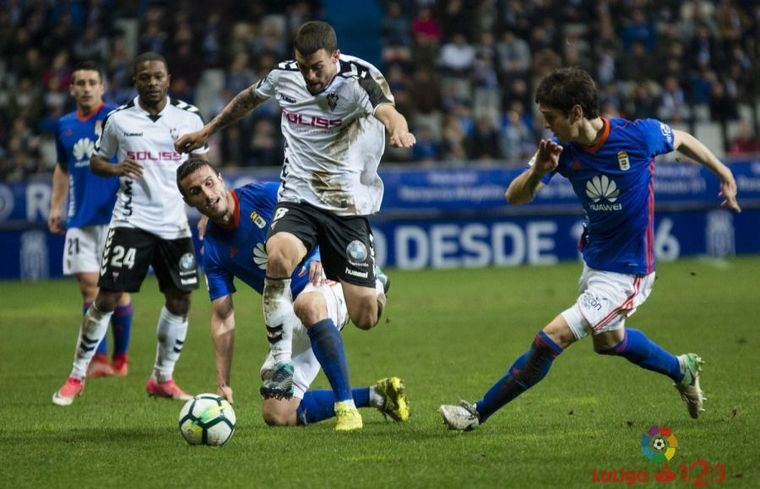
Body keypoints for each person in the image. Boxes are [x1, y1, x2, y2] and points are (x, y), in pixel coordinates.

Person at [440, 67, 742, 431]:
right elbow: (513, 197)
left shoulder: (638, 135)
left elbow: (681, 138)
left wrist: (722, 170)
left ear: (577, 113)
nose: (547, 126)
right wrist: (538, 171)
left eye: (551, 118)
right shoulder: (561, 153)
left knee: (551, 338)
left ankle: (475, 413)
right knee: (610, 341)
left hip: (629, 272)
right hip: (596, 263)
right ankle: (682, 368)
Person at [175, 21, 414, 413]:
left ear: (335, 57)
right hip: (299, 196)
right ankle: (281, 359)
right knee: (279, 254)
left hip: (345, 205)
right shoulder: (286, 76)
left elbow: (388, 111)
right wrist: (209, 129)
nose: (310, 76)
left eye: (317, 67)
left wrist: (398, 130)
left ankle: (377, 283)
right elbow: (249, 98)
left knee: (367, 316)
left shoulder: (361, 79)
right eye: (303, 66)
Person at [176, 158, 409, 431]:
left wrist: (322, 252)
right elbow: (223, 317)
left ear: (220, 178)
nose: (206, 194)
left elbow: (316, 209)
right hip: (288, 313)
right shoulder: (213, 251)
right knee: (278, 413)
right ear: (188, 202)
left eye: (208, 183)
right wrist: (223, 382)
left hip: (326, 279)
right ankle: (378, 395)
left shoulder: (261, 195)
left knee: (308, 304)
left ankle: (346, 406)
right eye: (195, 192)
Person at [52, 52, 208, 406]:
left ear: (168, 79)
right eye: (144, 77)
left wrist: (205, 210)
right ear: (135, 81)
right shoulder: (119, 120)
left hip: (175, 225)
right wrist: (117, 168)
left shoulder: (188, 117)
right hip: (131, 221)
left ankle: (162, 378)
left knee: (180, 300)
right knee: (105, 297)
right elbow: (96, 160)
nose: (152, 83)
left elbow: (201, 163)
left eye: (158, 76)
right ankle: (77, 374)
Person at [48, 61, 133, 378]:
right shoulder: (64, 126)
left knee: (118, 290)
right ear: (71, 89)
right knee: (90, 288)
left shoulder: (118, 118)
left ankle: (120, 357)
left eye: (91, 82)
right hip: (80, 218)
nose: (85, 88)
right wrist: (56, 206)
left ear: (102, 87)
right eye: (80, 82)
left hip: (118, 217)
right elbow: (62, 167)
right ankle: (99, 359)